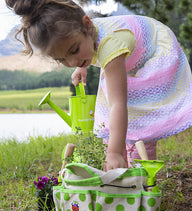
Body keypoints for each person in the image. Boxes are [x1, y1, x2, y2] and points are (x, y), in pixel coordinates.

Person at [6, 0, 192, 171]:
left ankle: (141, 176)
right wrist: (82, 66)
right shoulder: (84, 36)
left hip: (154, 51)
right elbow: (89, 50)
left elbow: (118, 104)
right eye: (61, 59)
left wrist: (115, 152)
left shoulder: (110, 45)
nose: (71, 62)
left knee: (135, 115)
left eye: (74, 51)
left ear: (88, 24)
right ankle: (117, 171)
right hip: (126, 56)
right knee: (108, 122)